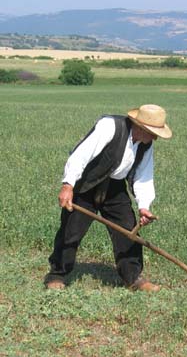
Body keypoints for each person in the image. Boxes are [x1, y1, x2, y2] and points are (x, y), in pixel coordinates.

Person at [44, 104, 172, 292]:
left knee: (128, 230)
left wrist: (144, 206)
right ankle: (57, 275)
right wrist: (68, 185)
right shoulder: (110, 127)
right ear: (140, 126)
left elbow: (143, 176)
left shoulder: (146, 145)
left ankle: (133, 278)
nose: (154, 137)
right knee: (71, 231)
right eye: (152, 132)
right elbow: (81, 155)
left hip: (114, 188)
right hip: (87, 183)